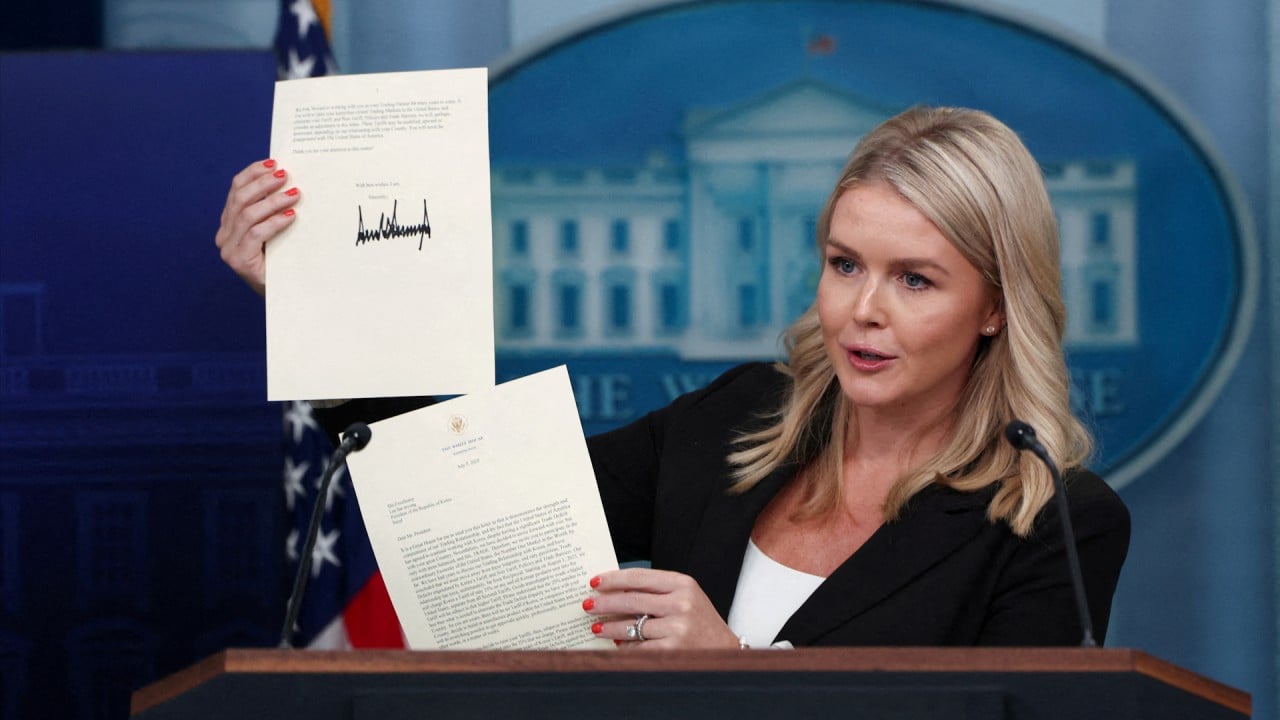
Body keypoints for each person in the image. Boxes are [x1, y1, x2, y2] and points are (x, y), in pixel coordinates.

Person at [216, 105, 1129, 650]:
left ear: (995, 305)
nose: (863, 309)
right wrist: (315, 303)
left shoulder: (1058, 522)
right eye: (845, 264)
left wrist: (736, 673)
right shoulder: (735, 418)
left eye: (915, 280)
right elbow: (478, 508)